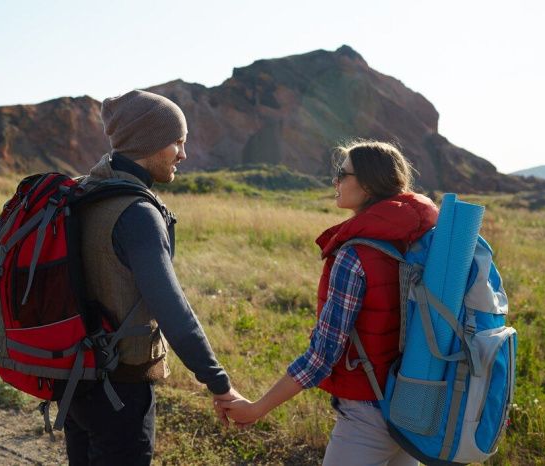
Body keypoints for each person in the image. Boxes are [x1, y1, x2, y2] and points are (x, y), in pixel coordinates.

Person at [217, 141, 439, 466]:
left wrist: (257, 408)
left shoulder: (354, 255)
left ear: (366, 183)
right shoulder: (419, 240)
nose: (335, 182)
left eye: (341, 174)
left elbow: (323, 355)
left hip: (368, 414)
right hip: (413, 404)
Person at [64, 90, 242, 465]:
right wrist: (218, 382)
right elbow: (173, 310)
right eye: (177, 142)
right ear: (150, 142)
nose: (183, 154)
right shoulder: (137, 213)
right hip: (120, 389)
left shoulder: (84, 191)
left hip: (75, 381)